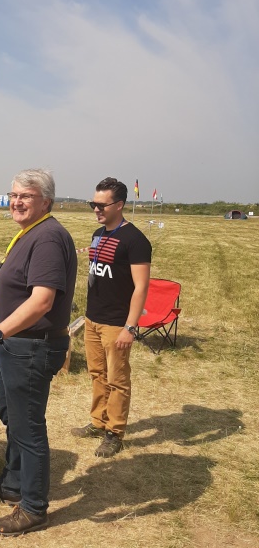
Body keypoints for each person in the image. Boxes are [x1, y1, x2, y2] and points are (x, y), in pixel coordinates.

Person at [0, 169, 76, 536]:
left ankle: (33, 508)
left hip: (30, 347)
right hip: (15, 345)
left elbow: (42, 302)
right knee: (13, 417)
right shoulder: (32, 232)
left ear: (46, 201)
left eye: (26, 196)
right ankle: (12, 485)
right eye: (13, 195)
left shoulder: (48, 238)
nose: (16, 202)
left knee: (28, 427)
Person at [71, 177, 152, 457]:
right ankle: (98, 421)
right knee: (97, 374)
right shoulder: (98, 234)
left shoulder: (135, 240)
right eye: (93, 204)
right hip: (93, 318)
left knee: (117, 380)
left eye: (101, 205)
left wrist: (130, 327)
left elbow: (141, 287)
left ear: (119, 205)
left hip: (117, 322)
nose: (96, 209)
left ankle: (114, 432)